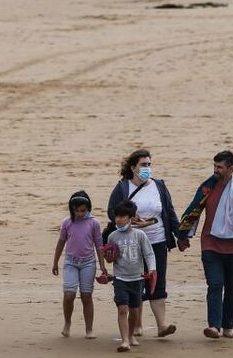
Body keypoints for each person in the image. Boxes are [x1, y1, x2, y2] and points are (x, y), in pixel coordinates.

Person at [177, 150, 233, 340]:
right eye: (214, 166)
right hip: (211, 245)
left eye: (220, 167)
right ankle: (214, 326)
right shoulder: (207, 188)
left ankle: (228, 326)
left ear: (231, 168)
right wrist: (182, 236)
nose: (215, 170)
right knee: (215, 284)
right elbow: (194, 210)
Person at [107, 150, 180, 339]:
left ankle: (162, 325)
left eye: (149, 164)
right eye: (143, 165)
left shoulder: (159, 186)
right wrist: (132, 219)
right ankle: (136, 324)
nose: (147, 168)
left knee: (158, 280)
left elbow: (169, 212)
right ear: (133, 168)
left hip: (157, 240)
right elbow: (112, 211)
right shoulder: (123, 188)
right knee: (136, 281)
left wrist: (181, 235)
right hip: (132, 241)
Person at [52, 191, 109, 340]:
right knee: (69, 294)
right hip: (70, 261)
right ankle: (67, 322)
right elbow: (60, 243)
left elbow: (99, 245)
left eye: (83, 210)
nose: (79, 213)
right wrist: (55, 262)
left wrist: (102, 265)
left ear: (88, 208)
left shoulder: (94, 223)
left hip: (88, 262)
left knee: (86, 295)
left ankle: (89, 329)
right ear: (71, 209)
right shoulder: (67, 222)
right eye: (76, 210)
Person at [107, 200, 157, 353]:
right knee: (122, 309)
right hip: (120, 278)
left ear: (131, 218)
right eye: (117, 216)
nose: (118, 219)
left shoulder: (140, 235)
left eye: (122, 216)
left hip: (137, 278)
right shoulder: (112, 236)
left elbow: (148, 254)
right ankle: (125, 341)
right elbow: (109, 258)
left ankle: (131, 335)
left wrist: (153, 270)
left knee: (134, 310)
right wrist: (108, 258)